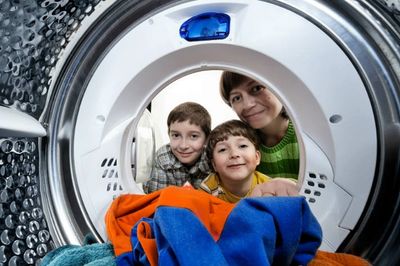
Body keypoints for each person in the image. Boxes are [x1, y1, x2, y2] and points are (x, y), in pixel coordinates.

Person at [220, 71, 299, 180]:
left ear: (281, 88)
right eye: (237, 98)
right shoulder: (241, 146)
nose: (247, 105)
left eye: (257, 88)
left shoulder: (307, 136)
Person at [199, 119, 298, 203]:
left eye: (242, 146)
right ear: (214, 164)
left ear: (257, 157)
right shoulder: (208, 188)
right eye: (223, 149)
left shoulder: (267, 186)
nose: (234, 154)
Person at [143, 102, 211, 193]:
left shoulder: (213, 159)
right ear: (169, 135)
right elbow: (157, 200)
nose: (183, 146)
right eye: (176, 135)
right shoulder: (163, 159)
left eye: (194, 136)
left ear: (206, 139)